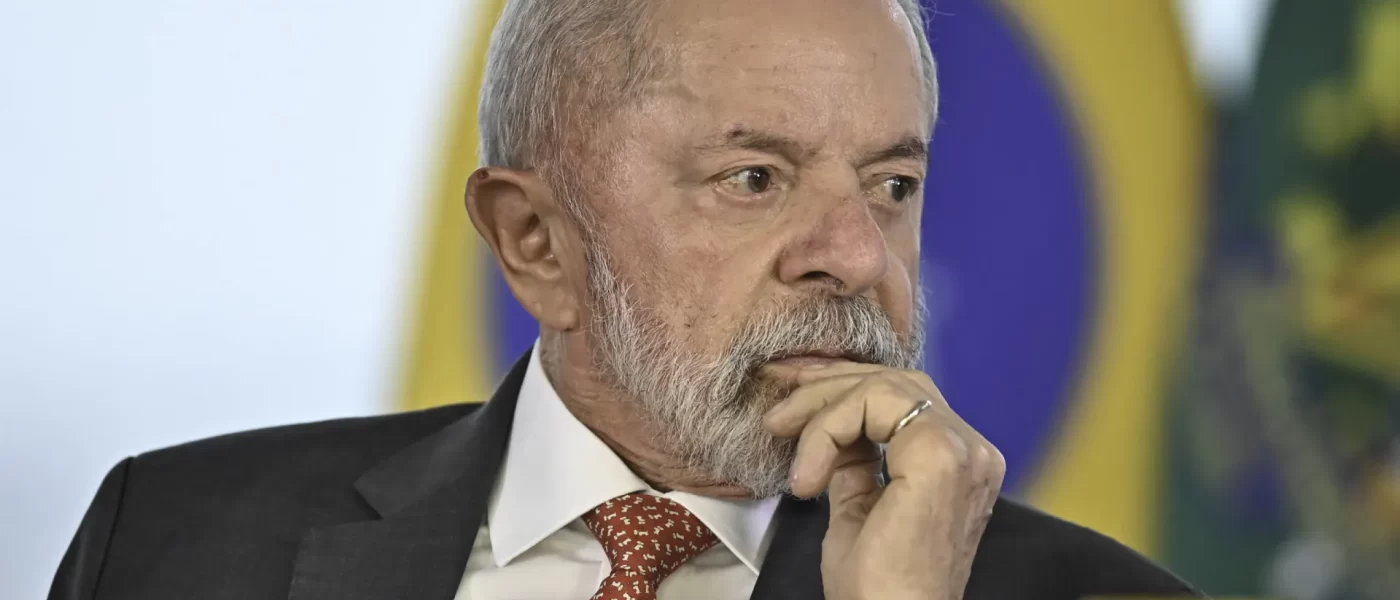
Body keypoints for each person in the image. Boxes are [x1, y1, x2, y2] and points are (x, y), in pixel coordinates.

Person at [49, 0, 1202, 598]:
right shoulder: (177, 543)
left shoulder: (1087, 597)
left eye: (890, 186)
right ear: (534, 241)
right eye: (753, 179)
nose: (856, 256)